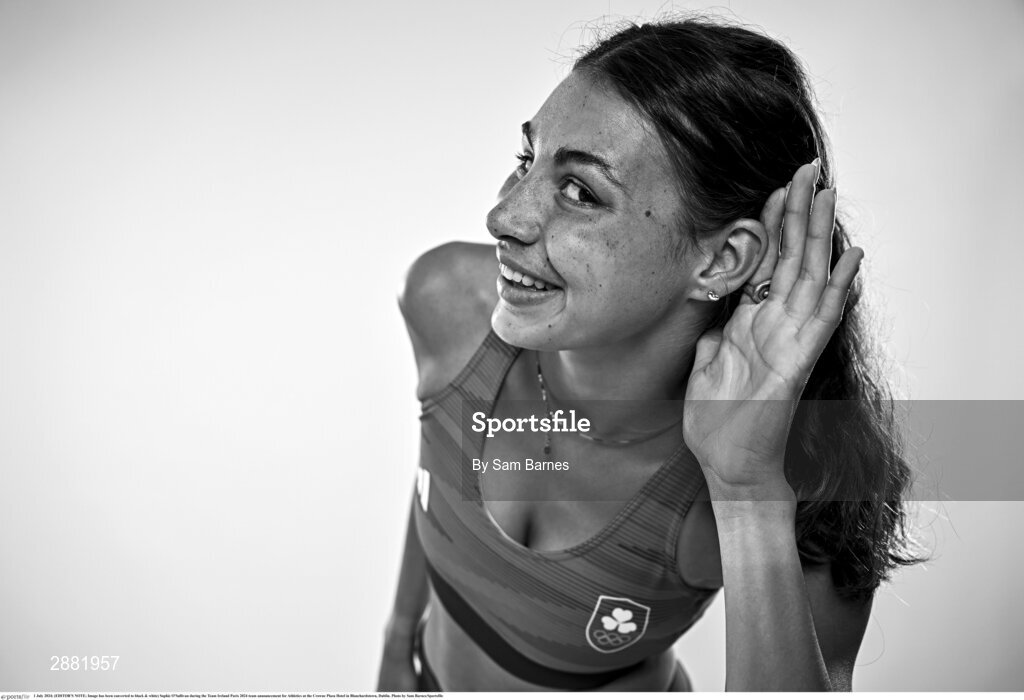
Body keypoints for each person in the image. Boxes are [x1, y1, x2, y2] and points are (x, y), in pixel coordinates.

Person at [377, 16, 919, 692]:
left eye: (581, 192)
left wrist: (745, 491)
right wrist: (399, 639)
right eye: (527, 161)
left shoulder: (804, 473)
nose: (503, 218)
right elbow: (439, 481)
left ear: (722, 260)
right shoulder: (449, 307)